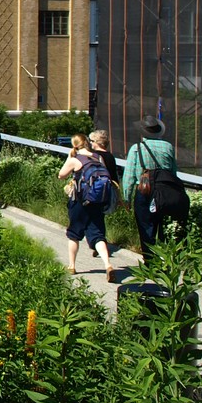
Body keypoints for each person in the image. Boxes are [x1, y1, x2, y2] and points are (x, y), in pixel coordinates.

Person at [120, 116, 184, 261]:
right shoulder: (168, 146)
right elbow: (173, 172)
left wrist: (127, 198)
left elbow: (129, 176)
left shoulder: (137, 148)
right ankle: (166, 256)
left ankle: (150, 260)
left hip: (145, 191)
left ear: (142, 132)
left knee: (145, 226)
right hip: (166, 190)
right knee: (163, 224)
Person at [58, 134, 117, 281]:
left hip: (79, 202)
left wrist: (69, 158)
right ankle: (108, 264)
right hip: (97, 201)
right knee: (97, 235)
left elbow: (61, 175)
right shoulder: (98, 157)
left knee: (74, 233)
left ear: (75, 145)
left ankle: (71, 266)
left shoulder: (74, 160)